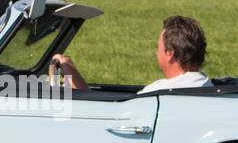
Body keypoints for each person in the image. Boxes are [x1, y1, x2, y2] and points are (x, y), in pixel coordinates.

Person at [51, 15, 211, 94]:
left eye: (158, 47)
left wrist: (70, 72)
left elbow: (107, 115)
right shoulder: (205, 85)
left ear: (169, 54)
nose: (156, 52)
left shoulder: (161, 92)